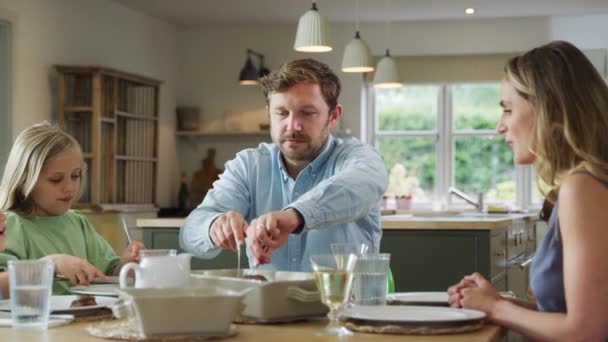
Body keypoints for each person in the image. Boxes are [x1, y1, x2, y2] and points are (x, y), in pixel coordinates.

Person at [447, 41, 608, 340]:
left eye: (508, 109)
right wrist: (501, 304)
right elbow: (571, 316)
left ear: (552, 111)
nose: (499, 126)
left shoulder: (582, 189)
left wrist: (496, 307)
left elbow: (587, 332)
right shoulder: (583, 186)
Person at [180, 58, 388, 270]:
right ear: (269, 113)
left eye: (307, 113)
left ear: (333, 116)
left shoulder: (360, 158)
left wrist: (295, 216)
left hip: (344, 302)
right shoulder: (248, 165)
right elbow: (190, 234)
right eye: (282, 113)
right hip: (267, 301)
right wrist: (213, 226)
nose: (292, 125)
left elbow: (363, 182)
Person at [0, 122, 145, 295]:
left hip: (85, 318)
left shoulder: (77, 221)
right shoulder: (11, 226)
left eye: (75, 176)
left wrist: (128, 264)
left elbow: (109, 273)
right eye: (55, 179)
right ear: (25, 180)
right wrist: (50, 265)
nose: (69, 187)